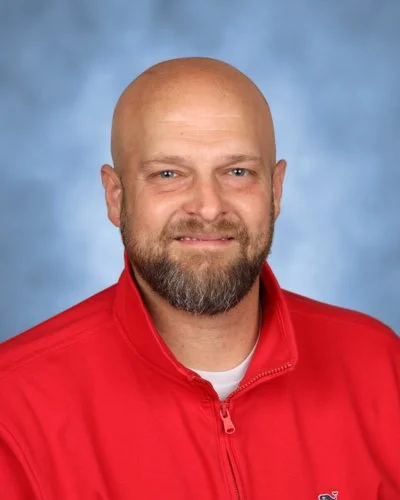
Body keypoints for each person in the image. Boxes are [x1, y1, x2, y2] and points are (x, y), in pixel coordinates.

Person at [0, 57, 399, 500]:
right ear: (115, 196)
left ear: (275, 190)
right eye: (168, 174)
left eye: (238, 172)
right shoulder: (13, 407)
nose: (208, 207)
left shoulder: (381, 369)